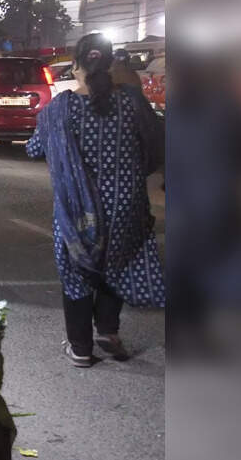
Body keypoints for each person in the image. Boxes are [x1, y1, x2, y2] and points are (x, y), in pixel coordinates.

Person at [26, 32, 165, 368]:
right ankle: (107, 330)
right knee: (115, 265)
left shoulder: (62, 108)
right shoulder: (132, 102)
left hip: (78, 214)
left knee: (76, 274)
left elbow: (34, 149)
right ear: (111, 63)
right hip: (127, 206)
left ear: (76, 66)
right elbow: (158, 146)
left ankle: (80, 347)